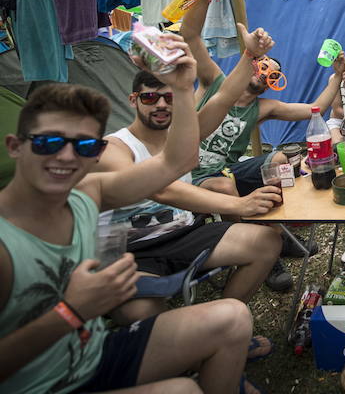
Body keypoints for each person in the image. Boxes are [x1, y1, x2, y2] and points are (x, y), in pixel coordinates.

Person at [0, 39, 260, 394]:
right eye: (47, 144)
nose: (66, 158)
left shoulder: (86, 194)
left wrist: (183, 87)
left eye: (85, 147)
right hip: (41, 384)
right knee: (182, 391)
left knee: (232, 317)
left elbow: (175, 164)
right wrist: (71, 311)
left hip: (92, 353)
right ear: (15, 147)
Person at [94, 68, 285, 321]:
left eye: (168, 98)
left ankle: (225, 322)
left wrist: (249, 56)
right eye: (150, 98)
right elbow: (159, 189)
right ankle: (196, 342)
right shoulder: (115, 147)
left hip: (184, 233)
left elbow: (225, 97)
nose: (161, 105)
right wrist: (239, 204)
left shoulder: (180, 139)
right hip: (133, 249)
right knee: (143, 314)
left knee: (267, 241)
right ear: (133, 100)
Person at [180, 0, 345, 198]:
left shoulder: (263, 108)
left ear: (271, 85)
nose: (265, 75)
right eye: (263, 66)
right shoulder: (215, 80)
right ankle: (237, 225)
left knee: (278, 159)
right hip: (186, 169)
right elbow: (190, 36)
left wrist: (337, 76)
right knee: (224, 186)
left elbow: (316, 109)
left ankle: (276, 215)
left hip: (223, 171)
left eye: (273, 77)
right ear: (252, 63)